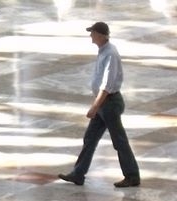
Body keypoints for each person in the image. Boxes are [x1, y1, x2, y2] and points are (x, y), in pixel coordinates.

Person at [58, 22, 140, 189]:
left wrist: (95, 106)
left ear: (102, 35)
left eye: (93, 33)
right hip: (104, 104)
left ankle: (132, 176)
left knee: (119, 140)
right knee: (90, 138)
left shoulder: (110, 54)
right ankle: (78, 174)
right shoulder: (103, 51)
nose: (91, 36)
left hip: (109, 104)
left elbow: (107, 85)